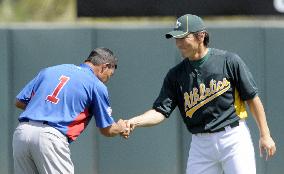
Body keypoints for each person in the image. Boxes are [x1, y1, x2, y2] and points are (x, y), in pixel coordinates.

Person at [122, 14, 276, 174]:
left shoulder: (228, 61)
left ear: (201, 36)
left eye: (183, 37)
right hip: (200, 144)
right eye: (176, 38)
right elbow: (160, 111)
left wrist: (265, 135)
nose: (178, 43)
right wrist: (135, 121)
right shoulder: (175, 75)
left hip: (233, 138)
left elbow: (252, 99)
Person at [13, 47, 128, 174]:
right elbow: (107, 129)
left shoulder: (50, 71)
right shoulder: (96, 85)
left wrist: (48, 109)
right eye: (110, 74)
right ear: (104, 66)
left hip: (22, 133)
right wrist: (121, 127)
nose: (107, 78)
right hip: (51, 138)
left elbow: (20, 102)